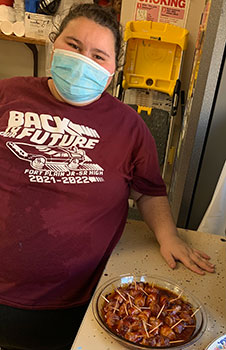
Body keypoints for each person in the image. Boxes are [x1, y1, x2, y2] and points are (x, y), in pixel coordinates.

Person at [0, 3, 215, 350]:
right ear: (54, 45)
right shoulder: (8, 94)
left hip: (78, 299)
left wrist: (168, 236)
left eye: (99, 55)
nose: (84, 61)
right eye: (73, 45)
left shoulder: (130, 127)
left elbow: (148, 191)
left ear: (113, 70)